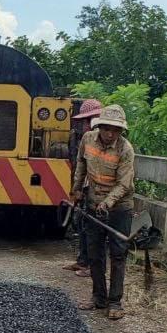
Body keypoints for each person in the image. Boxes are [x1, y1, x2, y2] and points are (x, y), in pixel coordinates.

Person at [71, 103, 135, 321]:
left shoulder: (125, 149)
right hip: (93, 203)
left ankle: (115, 301)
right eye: (107, 128)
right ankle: (98, 297)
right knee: (94, 253)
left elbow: (124, 184)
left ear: (121, 131)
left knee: (118, 254)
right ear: (99, 127)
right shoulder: (87, 139)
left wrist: (107, 203)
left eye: (115, 130)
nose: (110, 134)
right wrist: (77, 188)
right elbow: (81, 163)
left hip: (119, 208)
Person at [61, 98, 102, 278]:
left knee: (95, 231)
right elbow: (81, 167)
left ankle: (93, 267)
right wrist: (77, 190)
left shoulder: (106, 143)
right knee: (82, 225)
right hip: (87, 190)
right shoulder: (86, 140)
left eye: (87, 121)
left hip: (101, 194)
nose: (85, 125)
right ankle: (83, 260)